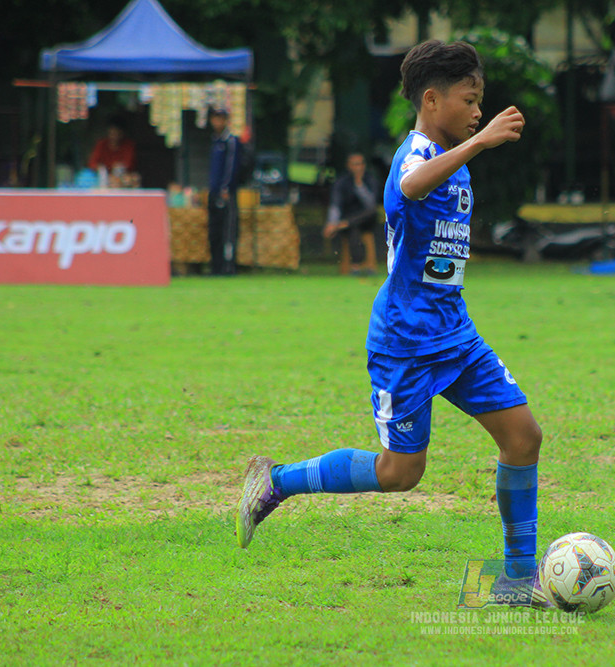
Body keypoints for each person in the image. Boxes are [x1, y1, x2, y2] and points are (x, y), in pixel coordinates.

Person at [236, 41, 547, 607]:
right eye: (470, 100)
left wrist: (471, 144)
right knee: (402, 473)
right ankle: (276, 481)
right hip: (405, 343)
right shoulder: (414, 157)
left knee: (524, 436)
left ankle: (517, 580)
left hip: (455, 333)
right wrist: (480, 142)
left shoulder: (453, 156)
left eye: (482, 103)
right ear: (432, 100)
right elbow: (409, 187)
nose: (479, 112)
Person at [323, 152, 380, 275]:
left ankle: (347, 223)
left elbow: (371, 204)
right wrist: (332, 223)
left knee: (368, 213)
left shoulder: (370, 180)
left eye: (360, 164)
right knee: (353, 228)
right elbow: (336, 204)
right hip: (348, 221)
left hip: (367, 219)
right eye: (354, 164)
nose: (357, 167)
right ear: (348, 166)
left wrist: (359, 186)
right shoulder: (342, 182)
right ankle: (356, 267)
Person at [207, 108, 242, 276]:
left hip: (225, 193)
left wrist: (226, 188)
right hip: (213, 192)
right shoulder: (215, 140)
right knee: (214, 231)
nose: (217, 123)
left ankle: (228, 267)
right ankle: (215, 266)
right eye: (214, 119)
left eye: (220, 119)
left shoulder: (231, 141)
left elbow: (231, 167)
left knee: (227, 231)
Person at [88, 115, 136, 182]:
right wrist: (102, 169)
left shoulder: (128, 145)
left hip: (121, 176)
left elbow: (128, 164)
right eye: (112, 132)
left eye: (117, 133)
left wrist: (118, 168)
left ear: (122, 133)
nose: (114, 136)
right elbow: (92, 163)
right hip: (102, 177)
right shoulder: (101, 144)